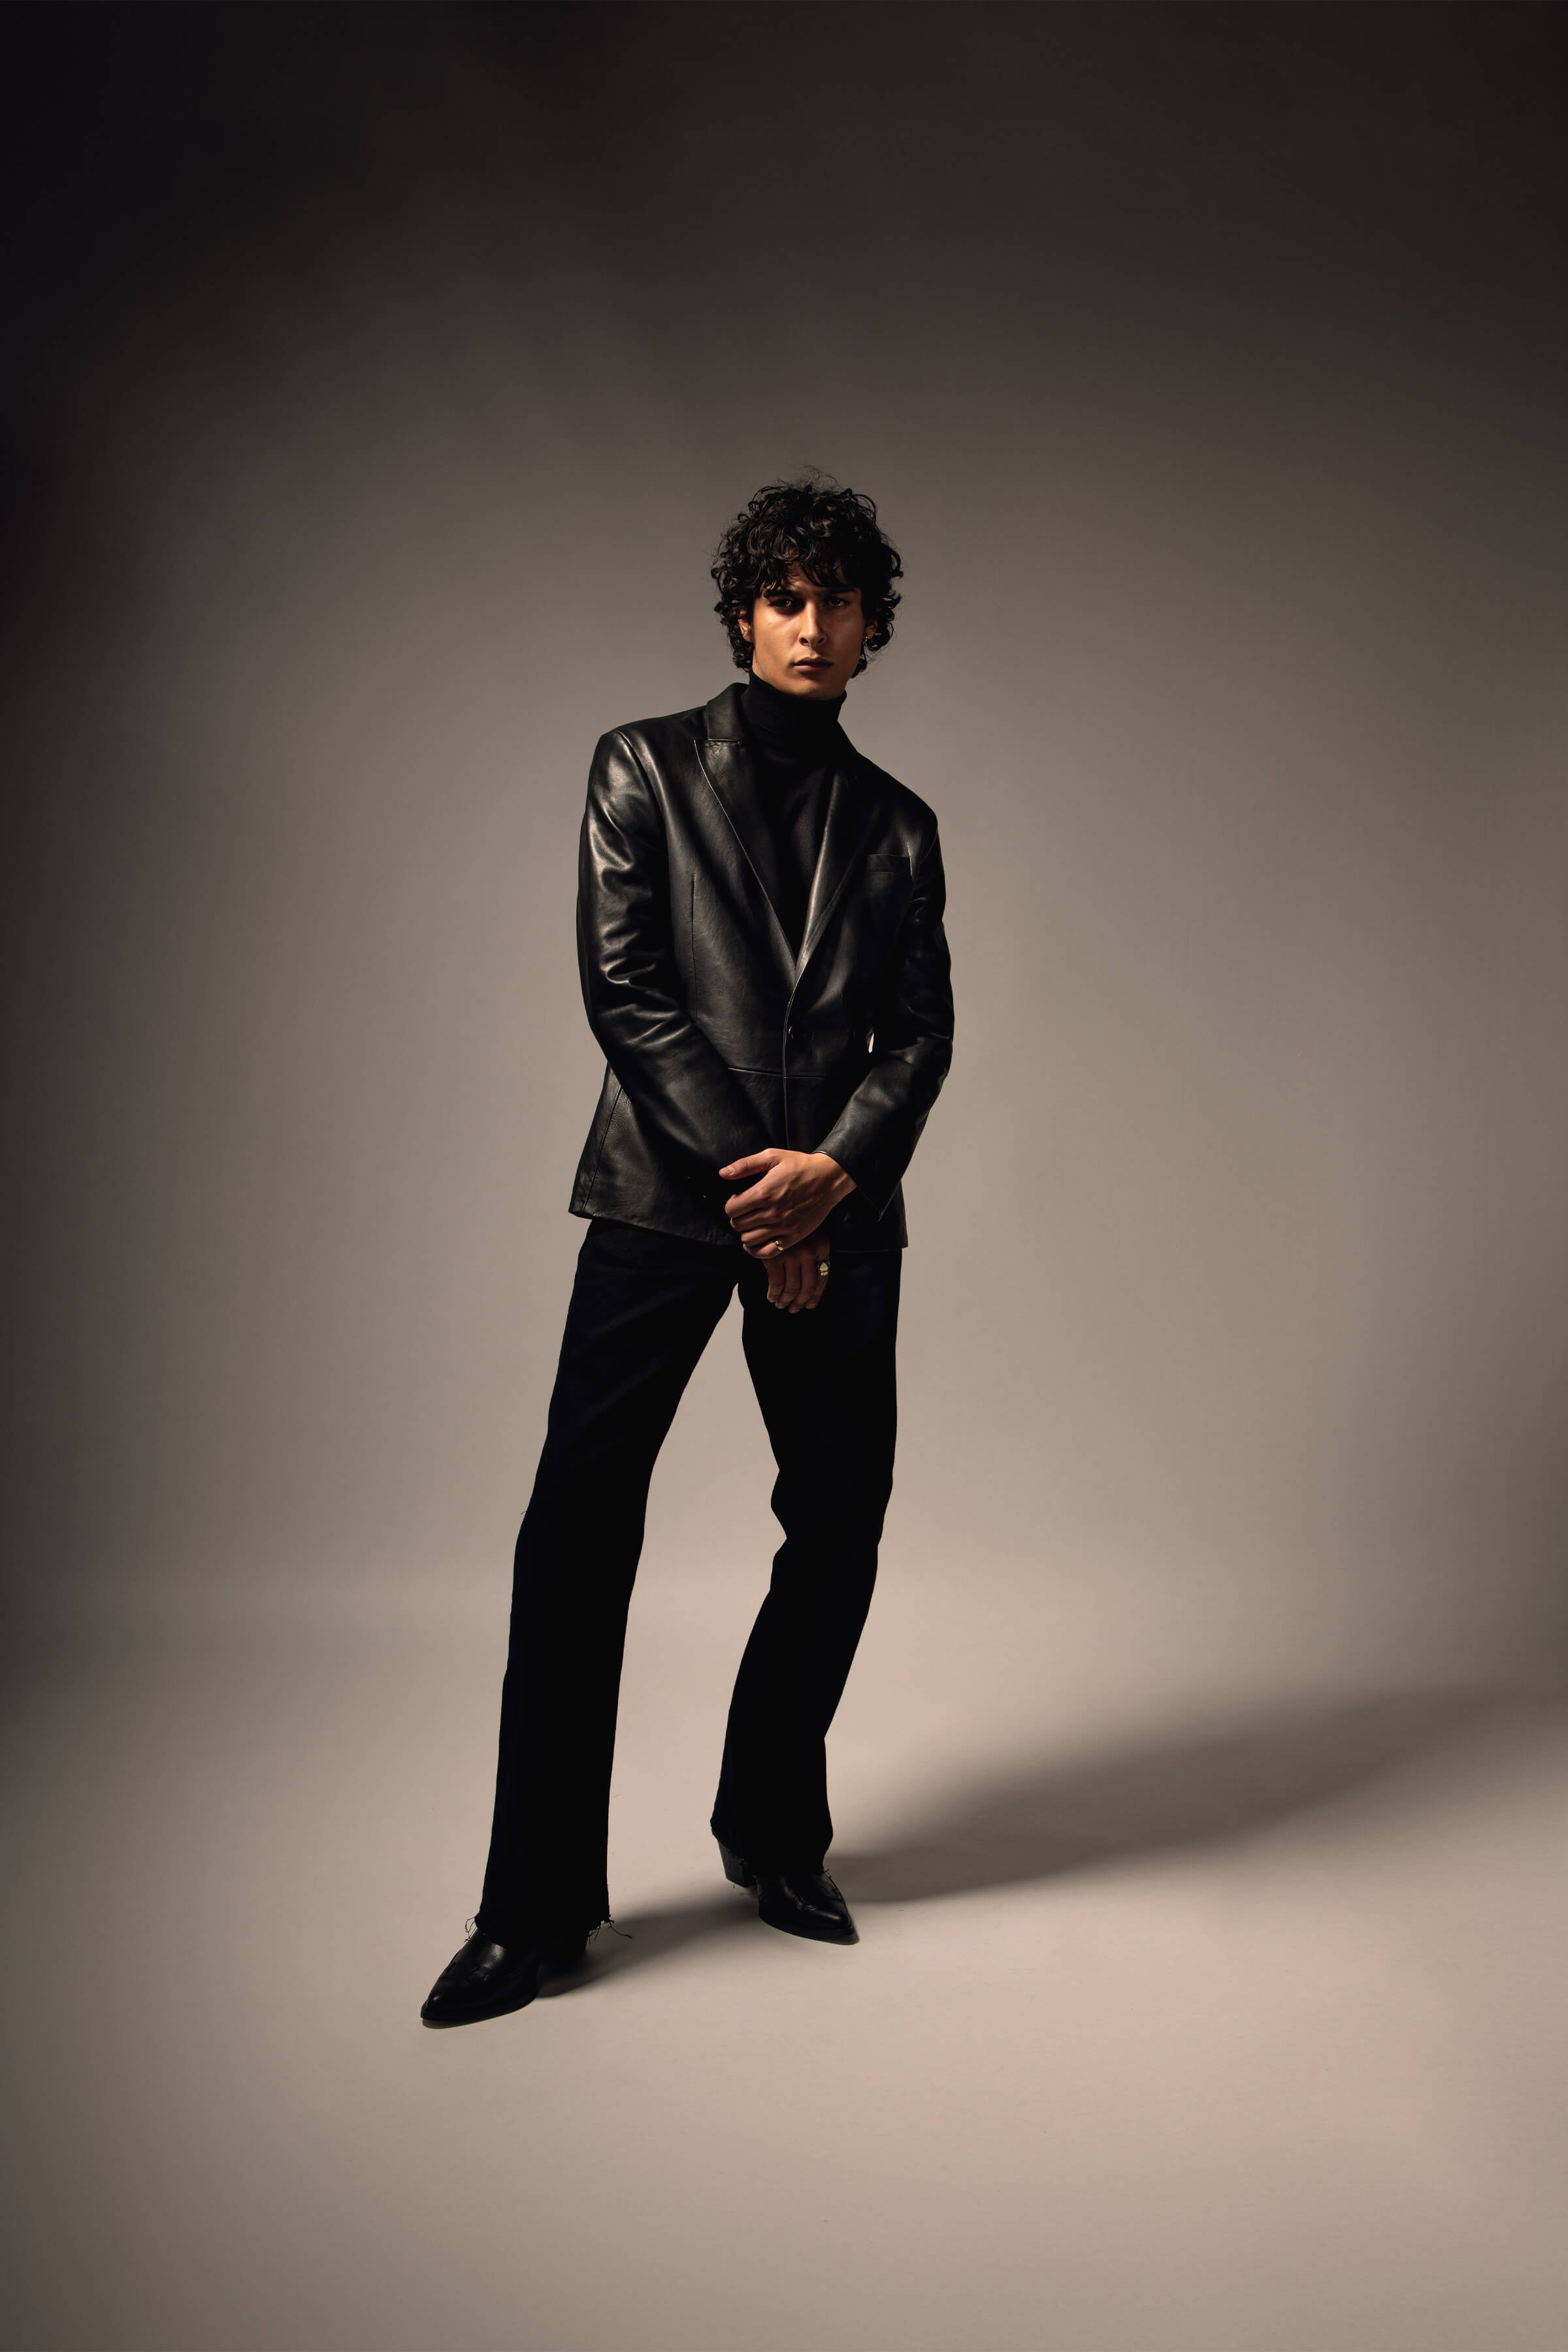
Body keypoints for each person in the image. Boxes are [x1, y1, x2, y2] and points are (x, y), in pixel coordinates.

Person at [421, 478, 954, 2025]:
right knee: (577, 1532)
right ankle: (533, 1908)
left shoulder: (901, 827)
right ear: (742, 614)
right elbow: (630, 992)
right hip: (667, 1196)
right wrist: (764, 1195)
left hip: (838, 1207)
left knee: (839, 1521)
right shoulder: (641, 768)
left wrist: (830, 1180)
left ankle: (773, 1830)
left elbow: (920, 1039)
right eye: (786, 597)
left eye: (838, 600)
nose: (812, 624)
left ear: (871, 626)